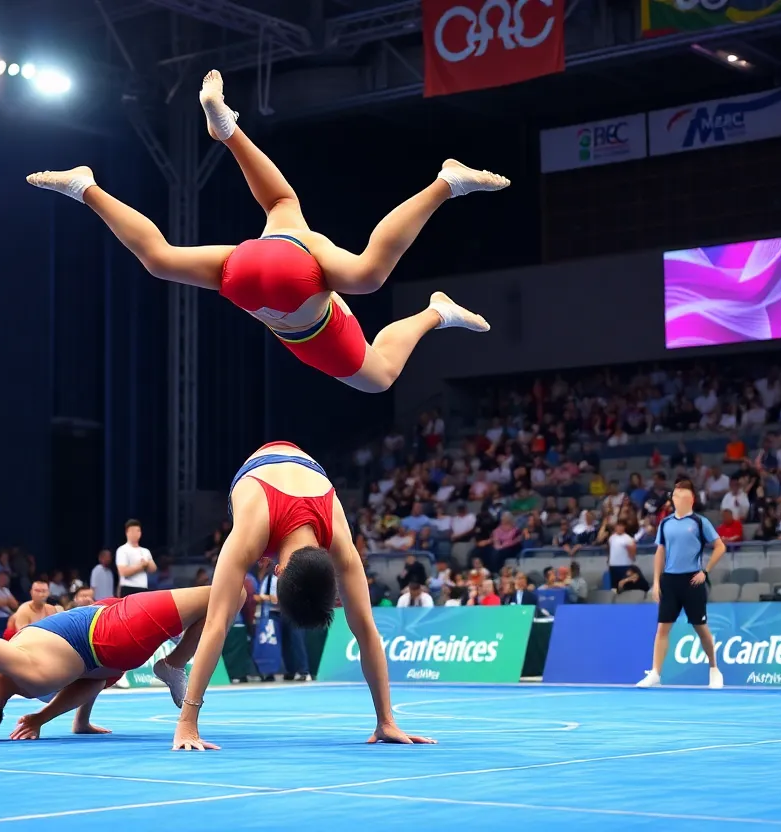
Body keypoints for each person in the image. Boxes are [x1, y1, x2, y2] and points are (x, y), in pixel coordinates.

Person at [27, 71, 505, 394]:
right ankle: (99, 182)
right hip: (253, 272)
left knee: (337, 260)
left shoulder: (330, 321)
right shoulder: (331, 330)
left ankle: (445, 193)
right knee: (172, 253)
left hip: (270, 271)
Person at [172, 441, 434, 751]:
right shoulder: (251, 534)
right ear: (279, 571)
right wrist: (186, 724)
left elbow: (367, 629)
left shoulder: (340, 546)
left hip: (305, 474)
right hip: (258, 475)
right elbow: (216, 624)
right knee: (223, 610)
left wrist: (386, 721)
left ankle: (386, 720)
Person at [0, 587, 222, 739]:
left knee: (218, 601)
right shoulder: (22, 671)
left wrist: (71, 719)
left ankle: (174, 653)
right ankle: (174, 663)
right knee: (223, 595)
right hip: (114, 628)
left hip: (107, 627)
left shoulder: (31, 687)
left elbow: (95, 681)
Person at [638, 478, 727, 690]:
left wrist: (705, 571)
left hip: (692, 580)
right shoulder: (665, 523)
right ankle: (655, 673)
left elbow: (720, 547)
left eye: (681, 495)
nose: (676, 498)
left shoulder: (699, 522)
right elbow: (660, 552)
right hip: (670, 580)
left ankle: (714, 670)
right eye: (675, 494)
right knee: (662, 628)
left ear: (690, 499)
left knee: (701, 628)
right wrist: (656, 582)